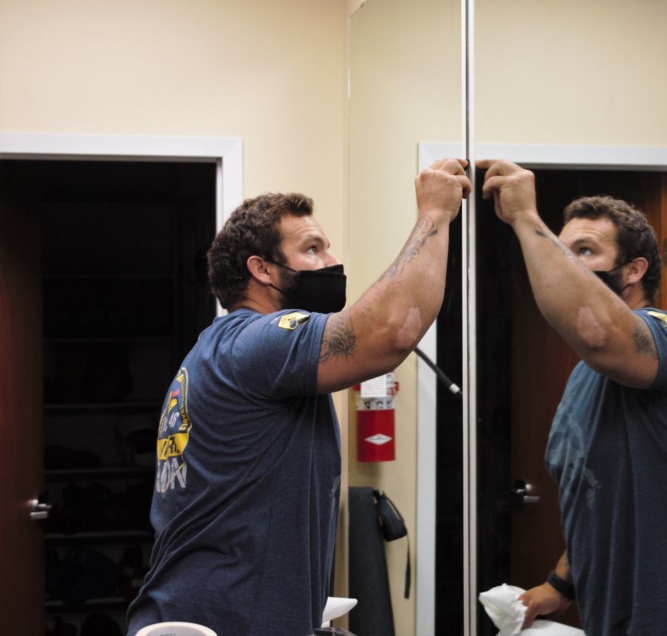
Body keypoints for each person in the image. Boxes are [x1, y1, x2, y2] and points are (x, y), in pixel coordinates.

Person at [126, 158, 471, 636]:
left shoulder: (224, 349)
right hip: (216, 623)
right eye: (312, 249)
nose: (332, 263)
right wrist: (435, 214)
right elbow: (390, 332)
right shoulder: (257, 341)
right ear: (262, 269)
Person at [477, 159, 667, 636]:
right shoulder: (585, 377)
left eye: (585, 250)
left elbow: (600, 335)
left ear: (633, 270)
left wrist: (526, 220)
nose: (565, 262)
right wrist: (560, 584)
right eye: (560, 248)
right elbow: (598, 499)